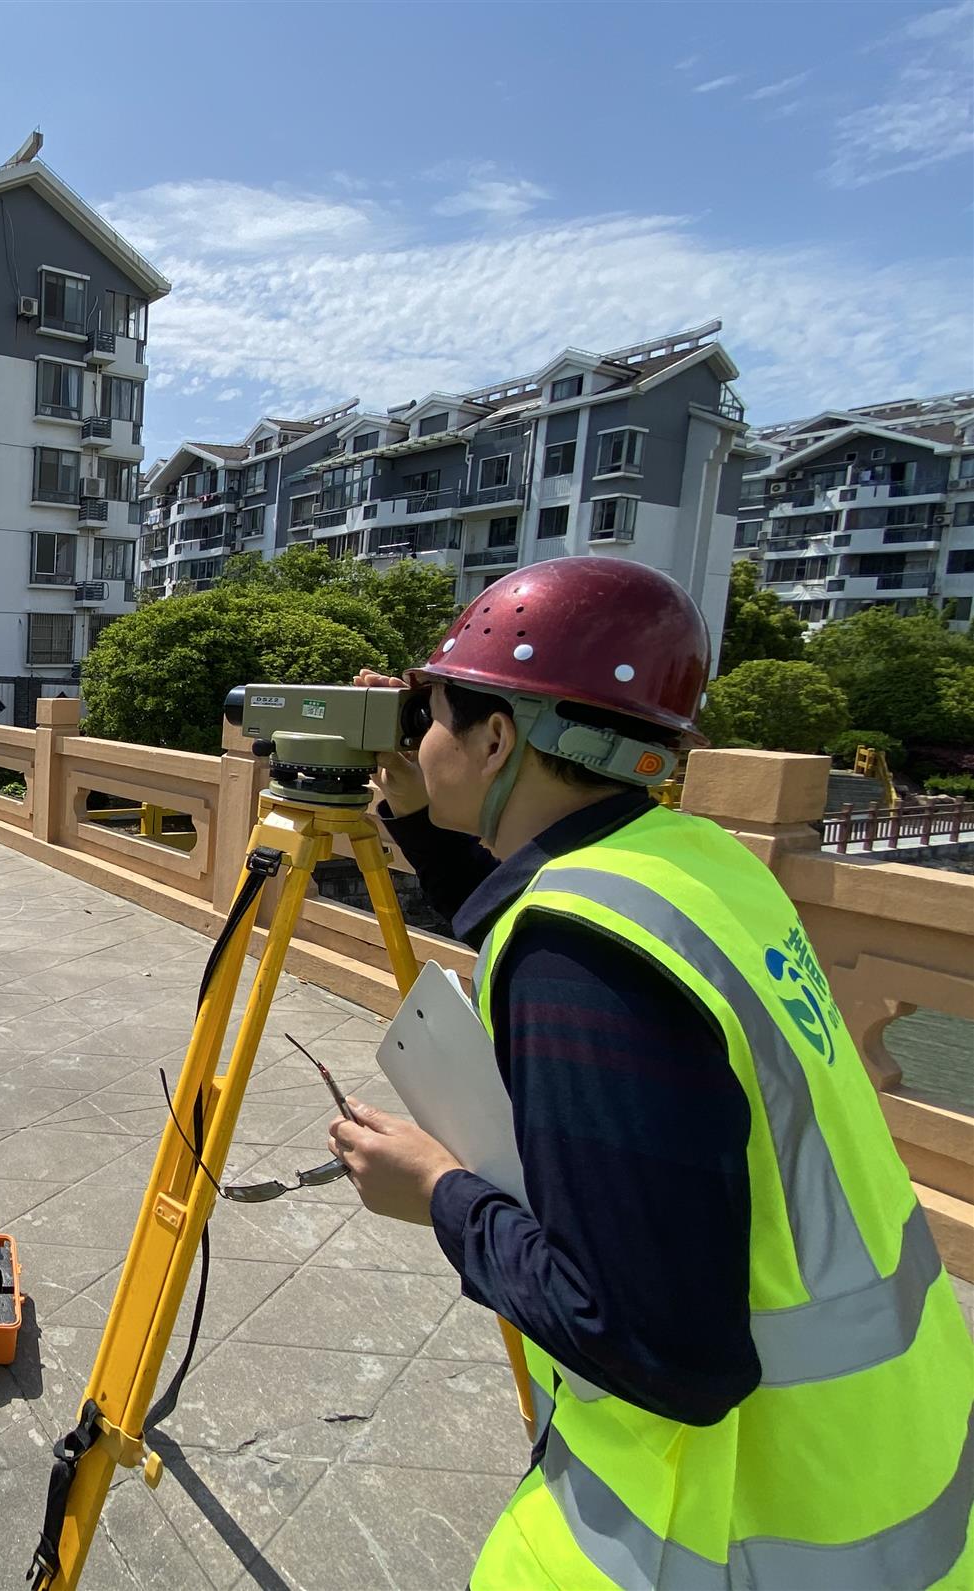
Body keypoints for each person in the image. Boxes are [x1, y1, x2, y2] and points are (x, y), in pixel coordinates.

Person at [325, 557, 972, 1588]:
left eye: (434, 716)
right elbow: (523, 901)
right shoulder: (693, 866)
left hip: (729, 1530)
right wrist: (414, 810)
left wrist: (441, 1194)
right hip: (883, 1475)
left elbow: (660, 1348)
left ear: (498, 739)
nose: (419, 739)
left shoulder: (585, 959)